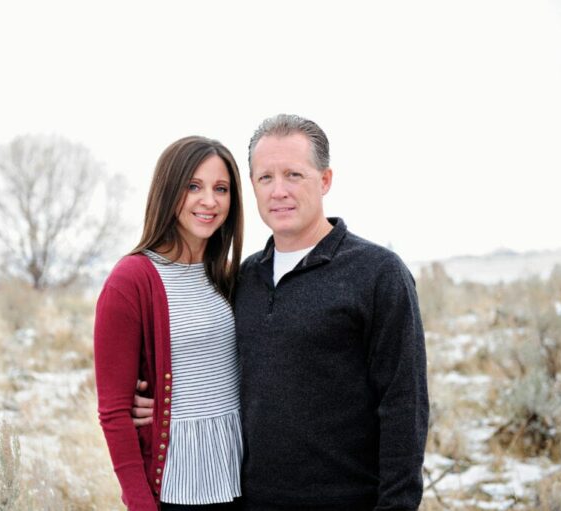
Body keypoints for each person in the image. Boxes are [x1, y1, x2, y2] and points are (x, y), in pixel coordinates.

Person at [133, 115, 429, 511]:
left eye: (294, 175)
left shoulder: (377, 273)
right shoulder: (242, 279)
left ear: (325, 180)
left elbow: (404, 406)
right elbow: (220, 374)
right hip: (249, 500)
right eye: (265, 178)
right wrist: (161, 403)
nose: (279, 191)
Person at [94, 136, 245, 511]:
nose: (209, 200)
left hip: (243, 480)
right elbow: (114, 412)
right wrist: (140, 504)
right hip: (176, 488)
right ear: (167, 190)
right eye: (193, 186)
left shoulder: (231, 278)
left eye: (221, 188)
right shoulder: (131, 280)